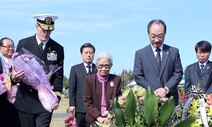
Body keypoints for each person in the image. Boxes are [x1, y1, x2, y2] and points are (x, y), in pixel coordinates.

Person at [14, 14, 64, 127]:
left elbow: (58, 76)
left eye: (49, 31)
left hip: (45, 102)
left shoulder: (58, 48)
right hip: (25, 99)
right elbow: (15, 67)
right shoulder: (24, 44)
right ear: (36, 26)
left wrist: (57, 97)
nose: (46, 33)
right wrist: (16, 76)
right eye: (43, 30)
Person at [133, 19, 183, 105]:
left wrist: (166, 89)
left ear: (165, 34)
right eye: (153, 36)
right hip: (149, 100)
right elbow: (138, 76)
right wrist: (154, 91)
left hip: (170, 99)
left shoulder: (173, 52)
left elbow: (178, 73)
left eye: (160, 36)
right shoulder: (140, 54)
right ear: (148, 34)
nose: (156, 40)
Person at [84, 52, 122, 126]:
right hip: (94, 119)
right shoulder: (89, 80)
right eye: (100, 66)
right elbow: (87, 102)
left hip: (111, 119)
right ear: (97, 65)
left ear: (111, 66)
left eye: (107, 66)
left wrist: (111, 117)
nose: (103, 69)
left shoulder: (116, 79)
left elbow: (118, 100)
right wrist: (99, 118)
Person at [69, 43, 96, 127]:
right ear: (81, 54)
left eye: (91, 53)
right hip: (80, 107)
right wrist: (72, 104)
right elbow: (72, 88)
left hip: (95, 107)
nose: (88, 55)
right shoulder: (75, 69)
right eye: (86, 52)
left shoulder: (98, 68)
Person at [0, 37, 21, 127]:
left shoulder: (19, 62)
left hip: (18, 104)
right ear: (0, 48)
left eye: (12, 46)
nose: (11, 49)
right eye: (8, 46)